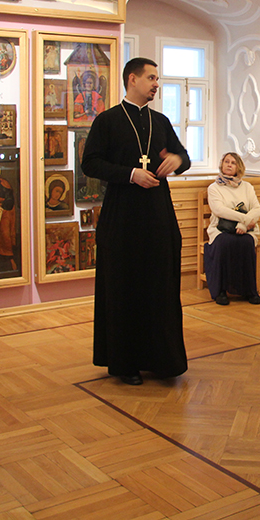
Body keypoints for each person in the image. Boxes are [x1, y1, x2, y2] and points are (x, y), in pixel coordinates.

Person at [81, 57, 190, 386]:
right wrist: (130, 174)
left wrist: (177, 159)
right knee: (124, 287)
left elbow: (183, 156)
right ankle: (125, 362)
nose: (156, 84)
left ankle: (161, 359)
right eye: (151, 78)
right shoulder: (108, 120)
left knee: (160, 286)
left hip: (158, 215)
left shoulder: (161, 121)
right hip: (122, 217)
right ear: (132, 79)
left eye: (158, 79)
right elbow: (90, 163)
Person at [205, 151, 260, 306]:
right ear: (221, 165)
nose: (229, 165)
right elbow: (219, 210)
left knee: (246, 243)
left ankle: (250, 291)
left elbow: (257, 209)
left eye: (233, 163)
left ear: (239, 167)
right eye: (226, 162)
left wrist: (244, 225)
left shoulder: (247, 187)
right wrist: (244, 219)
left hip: (246, 229)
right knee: (224, 243)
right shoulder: (214, 188)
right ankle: (221, 291)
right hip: (221, 229)